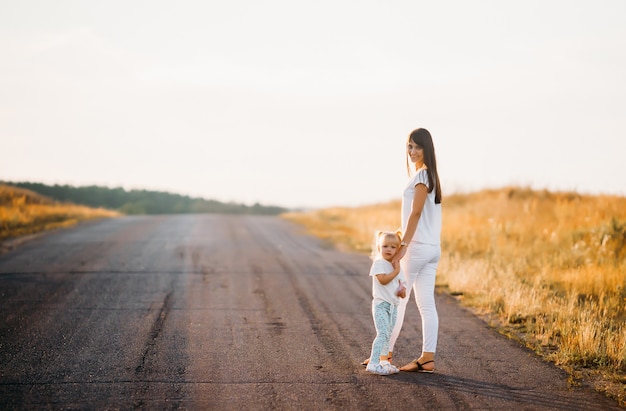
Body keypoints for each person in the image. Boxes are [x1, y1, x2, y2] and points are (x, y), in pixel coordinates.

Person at [390, 128, 443, 373]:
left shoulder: (422, 177)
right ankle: (427, 358)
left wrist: (402, 247)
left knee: (396, 300)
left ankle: (383, 354)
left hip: (418, 249)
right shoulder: (431, 176)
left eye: (417, 147)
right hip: (432, 249)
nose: (412, 151)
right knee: (426, 304)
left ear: (427, 150)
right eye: (409, 146)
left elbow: (416, 213)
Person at [365, 231, 407, 375]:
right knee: (382, 333)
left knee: (388, 334)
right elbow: (383, 280)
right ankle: (373, 363)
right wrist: (396, 271)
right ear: (379, 248)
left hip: (393, 306)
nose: (388, 249)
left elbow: (403, 292)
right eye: (385, 246)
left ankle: (384, 362)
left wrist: (402, 291)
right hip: (381, 305)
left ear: (398, 250)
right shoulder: (379, 264)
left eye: (393, 247)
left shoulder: (398, 268)